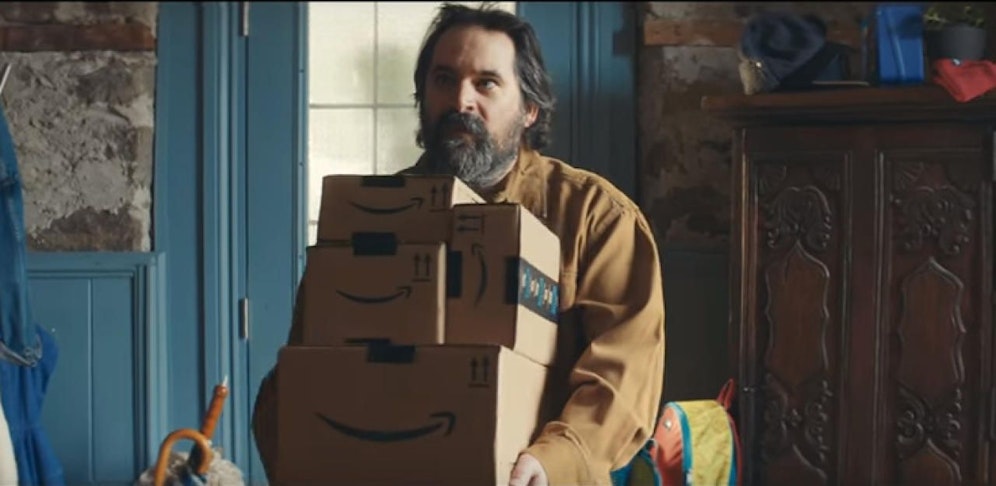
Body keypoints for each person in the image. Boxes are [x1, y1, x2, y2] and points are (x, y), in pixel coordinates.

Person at [252, 3, 666, 485]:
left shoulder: (596, 217)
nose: (460, 101)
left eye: (486, 83)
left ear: (529, 109)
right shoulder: (370, 216)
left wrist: (552, 461)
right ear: (422, 94)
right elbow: (307, 368)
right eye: (444, 79)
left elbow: (624, 377)